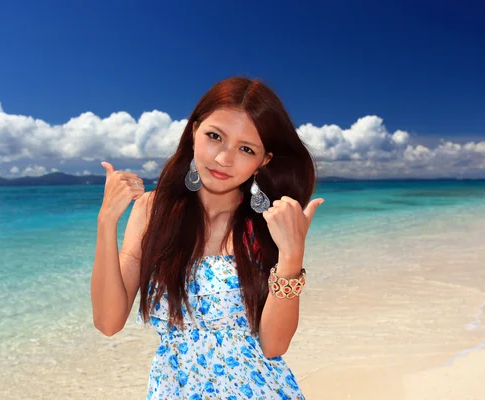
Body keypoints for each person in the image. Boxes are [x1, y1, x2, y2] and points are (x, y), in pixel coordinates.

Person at [91, 76, 324, 399]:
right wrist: (106, 221)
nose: (224, 159)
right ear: (194, 132)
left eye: (246, 149)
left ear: (263, 161)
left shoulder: (268, 225)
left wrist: (292, 258)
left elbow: (273, 346)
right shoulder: (152, 211)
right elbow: (108, 321)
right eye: (215, 136)